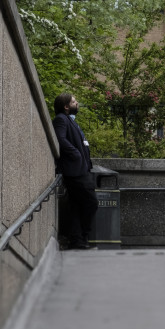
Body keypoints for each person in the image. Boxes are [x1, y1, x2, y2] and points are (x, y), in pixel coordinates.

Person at [53, 93, 99, 250]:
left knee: (77, 206)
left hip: (81, 169)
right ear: (66, 106)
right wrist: (76, 154)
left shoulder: (71, 121)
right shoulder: (61, 119)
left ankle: (77, 240)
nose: (77, 103)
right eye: (73, 101)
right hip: (75, 172)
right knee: (91, 202)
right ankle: (81, 236)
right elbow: (60, 139)